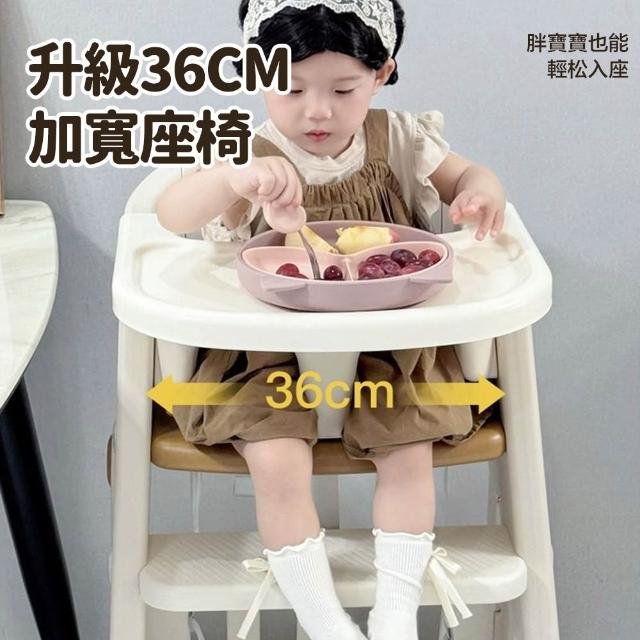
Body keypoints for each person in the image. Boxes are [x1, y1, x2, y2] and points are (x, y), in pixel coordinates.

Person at [157, 1, 507, 638]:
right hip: (267, 358)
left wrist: (482, 192)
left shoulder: (400, 139)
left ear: (381, 74)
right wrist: (236, 180)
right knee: (277, 462)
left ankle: (396, 612)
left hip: (390, 350)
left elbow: (468, 176)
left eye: (342, 90)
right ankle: (323, 620)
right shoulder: (247, 152)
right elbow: (172, 213)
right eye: (291, 89)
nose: (316, 111)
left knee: (409, 450)